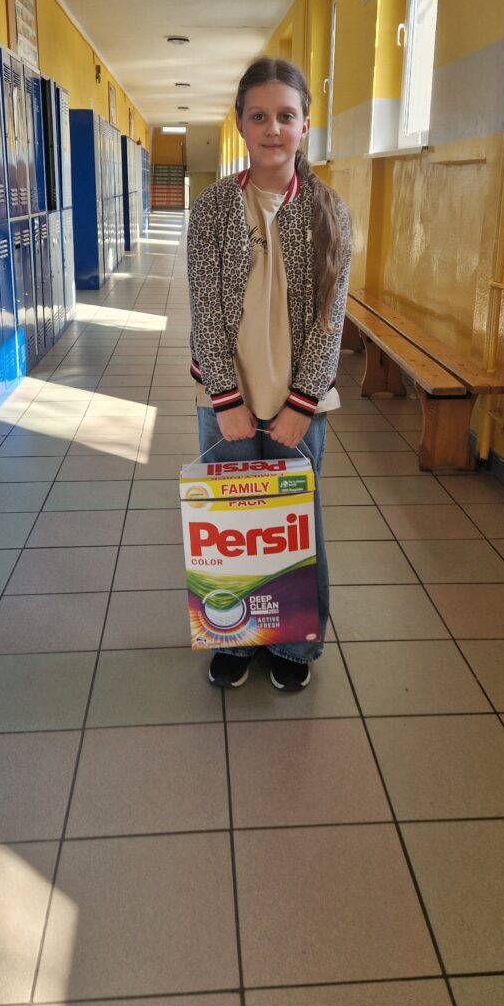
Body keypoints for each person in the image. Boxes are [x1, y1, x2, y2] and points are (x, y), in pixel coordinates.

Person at [186, 57, 351, 691]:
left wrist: (301, 404)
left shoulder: (329, 211)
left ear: (305, 124)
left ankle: (292, 644)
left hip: (297, 405)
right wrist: (225, 398)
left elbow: (330, 321)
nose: (273, 128)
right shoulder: (213, 208)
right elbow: (205, 308)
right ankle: (235, 637)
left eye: (286, 116)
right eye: (259, 116)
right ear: (241, 124)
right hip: (225, 398)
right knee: (232, 524)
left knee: (294, 522)